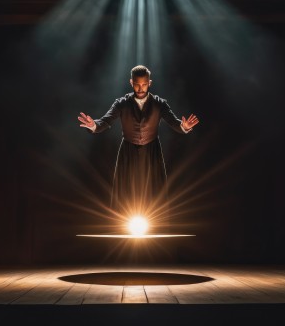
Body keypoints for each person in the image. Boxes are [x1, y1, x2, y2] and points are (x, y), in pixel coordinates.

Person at [78, 65, 199, 228]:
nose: (140, 88)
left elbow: (174, 123)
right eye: (136, 84)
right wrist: (93, 125)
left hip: (152, 152)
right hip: (128, 151)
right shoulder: (121, 103)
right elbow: (105, 121)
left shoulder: (160, 103)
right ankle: (123, 230)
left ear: (149, 83)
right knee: (126, 191)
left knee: (153, 191)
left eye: (143, 84)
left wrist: (184, 126)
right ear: (131, 82)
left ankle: (156, 230)